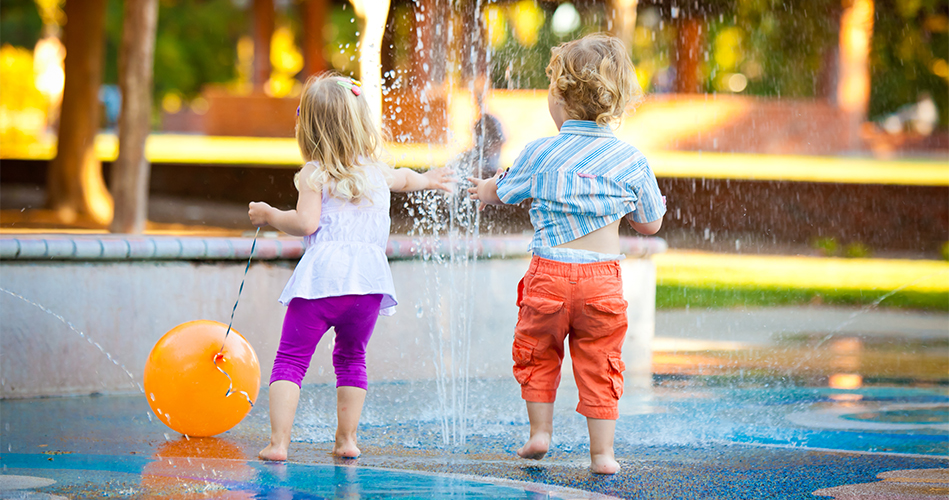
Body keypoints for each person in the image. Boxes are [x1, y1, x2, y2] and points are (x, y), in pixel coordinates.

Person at [467, 33, 666, 475]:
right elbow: (649, 223)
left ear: (559, 97)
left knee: (538, 351)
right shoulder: (630, 159)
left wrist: (483, 188)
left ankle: (540, 434)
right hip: (601, 282)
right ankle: (603, 456)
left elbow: (501, 191)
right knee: (600, 361)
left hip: (549, 276)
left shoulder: (540, 152)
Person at [249, 73, 453, 461]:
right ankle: (346, 441)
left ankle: (278, 444)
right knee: (351, 358)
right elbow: (406, 179)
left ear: (307, 126)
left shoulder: (315, 172)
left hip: (322, 283)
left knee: (291, 359)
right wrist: (429, 178)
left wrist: (271, 214)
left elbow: (306, 224)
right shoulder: (376, 171)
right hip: (368, 286)